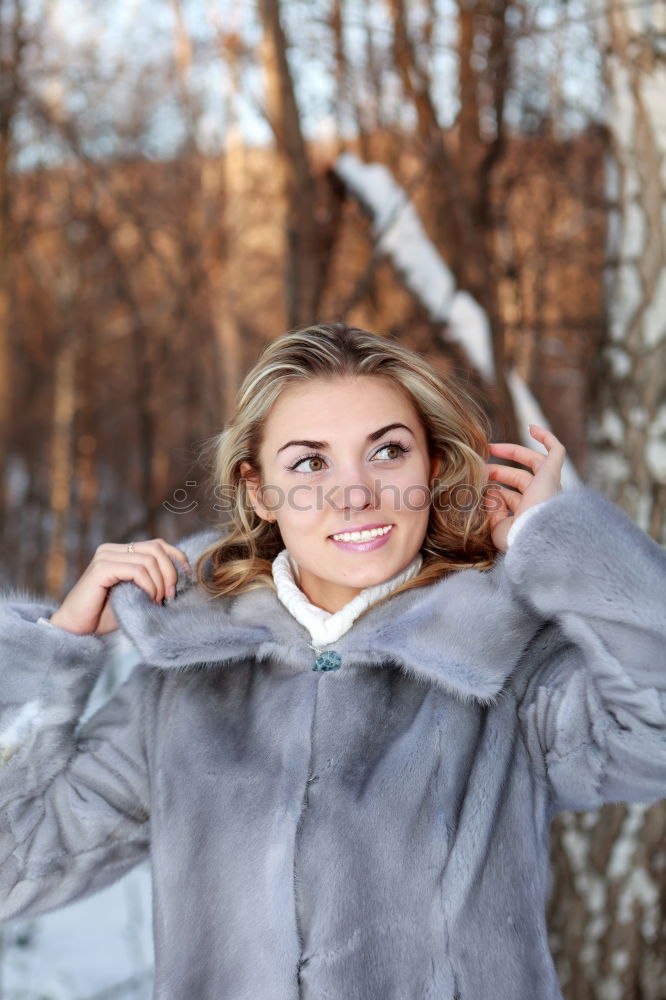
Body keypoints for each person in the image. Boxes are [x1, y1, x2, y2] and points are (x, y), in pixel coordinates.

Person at [0, 321, 664, 1000]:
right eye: (310, 463)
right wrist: (53, 651)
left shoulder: (505, 664)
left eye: (387, 452)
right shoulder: (184, 689)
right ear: (259, 491)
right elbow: (13, 869)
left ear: (432, 467)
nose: (356, 493)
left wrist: (557, 542)